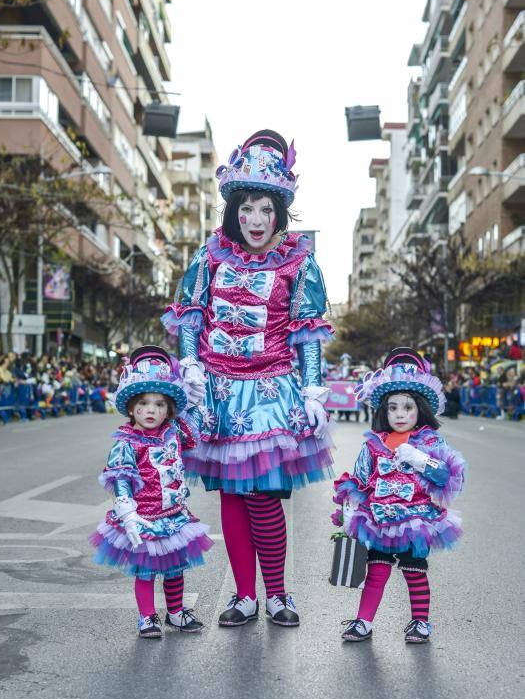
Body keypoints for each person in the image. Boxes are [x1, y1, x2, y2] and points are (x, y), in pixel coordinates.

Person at [161, 129, 334, 628]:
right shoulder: (210, 255)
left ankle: (277, 594)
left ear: (279, 212)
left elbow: (307, 334)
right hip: (217, 393)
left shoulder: (299, 262)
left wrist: (312, 389)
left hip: (269, 393)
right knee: (232, 497)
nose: (255, 221)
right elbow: (191, 315)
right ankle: (243, 596)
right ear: (233, 211)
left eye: (265, 210)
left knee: (261, 496)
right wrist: (190, 366)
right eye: (246, 210)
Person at [332, 348, 465, 644]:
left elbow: (446, 475)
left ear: (419, 409)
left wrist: (420, 459)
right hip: (378, 518)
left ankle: (420, 622)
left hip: (416, 518)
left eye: (407, 407)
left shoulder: (429, 440)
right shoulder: (374, 443)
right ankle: (363, 622)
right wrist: (349, 508)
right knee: (376, 571)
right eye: (393, 408)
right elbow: (361, 478)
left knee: (414, 571)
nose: (400, 414)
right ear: (384, 411)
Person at [89, 345, 213, 638]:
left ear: (169, 410)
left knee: (175, 567)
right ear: (132, 408)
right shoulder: (126, 441)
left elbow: (198, 431)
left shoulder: (174, 432)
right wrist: (127, 512)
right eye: (143, 403)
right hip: (143, 518)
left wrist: (195, 398)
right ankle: (147, 617)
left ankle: (176, 612)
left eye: (159, 404)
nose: (151, 410)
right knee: (145, 571)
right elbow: (120, 478)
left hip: (173, 516)